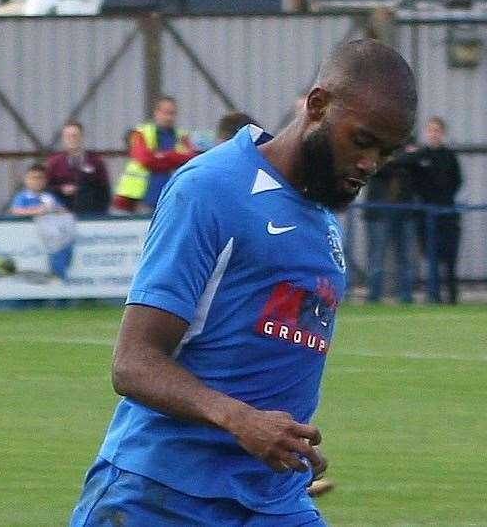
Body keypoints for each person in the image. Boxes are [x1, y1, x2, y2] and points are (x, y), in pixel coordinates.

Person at [70, 39, 416, 527]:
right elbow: (133, 364)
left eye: (386, 151)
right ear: (318, 106)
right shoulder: (210, 189)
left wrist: (286, 438)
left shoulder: (324, 224)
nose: (370, 164)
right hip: (159, 494)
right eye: (362, 141)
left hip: (273, 499)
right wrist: (243, 421)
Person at [405, 117, 462, 304]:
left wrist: (446, 199)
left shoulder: (449, 157)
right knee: (431, 256)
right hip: (426, 213)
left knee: (450, 256)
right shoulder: (420, 156)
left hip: (447, 213)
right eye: (430, 130)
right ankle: (434, 295)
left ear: (443, 133)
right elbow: (407, 170)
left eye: (437, 130)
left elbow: (457, 181)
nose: (433, 134)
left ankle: (452, 296)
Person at [111, 96, 197, 214]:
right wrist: (172, 159)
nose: (169, 117)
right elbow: (144, 158)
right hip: (142, 198)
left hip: (173, 196)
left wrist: (160, 156)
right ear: (156, 113)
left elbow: (189, 158)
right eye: (165, 113)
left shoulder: (182, 136)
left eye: (172, 113)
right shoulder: (140, 133)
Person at [364, 149, 418, 303]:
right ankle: (374, 296)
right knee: (377, 257)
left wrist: (393, 160)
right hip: (379, 213)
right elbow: (376, 167)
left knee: (405, 257)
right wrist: (397, 161)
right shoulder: (376, 147)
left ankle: (406, 296)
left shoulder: (409, 145)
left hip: (404, 212)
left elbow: (413, 162)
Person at [45, 121, 111, 215]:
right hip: (61, 216)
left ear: (82, 137)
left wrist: (100, 215)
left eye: (75, 135)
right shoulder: (54, 162)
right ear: (63, 138)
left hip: (90, 216)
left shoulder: (96, 161)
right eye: (68, 136)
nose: (72, 139)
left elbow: (104, 191)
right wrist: (60, 189)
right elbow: (46, 188)